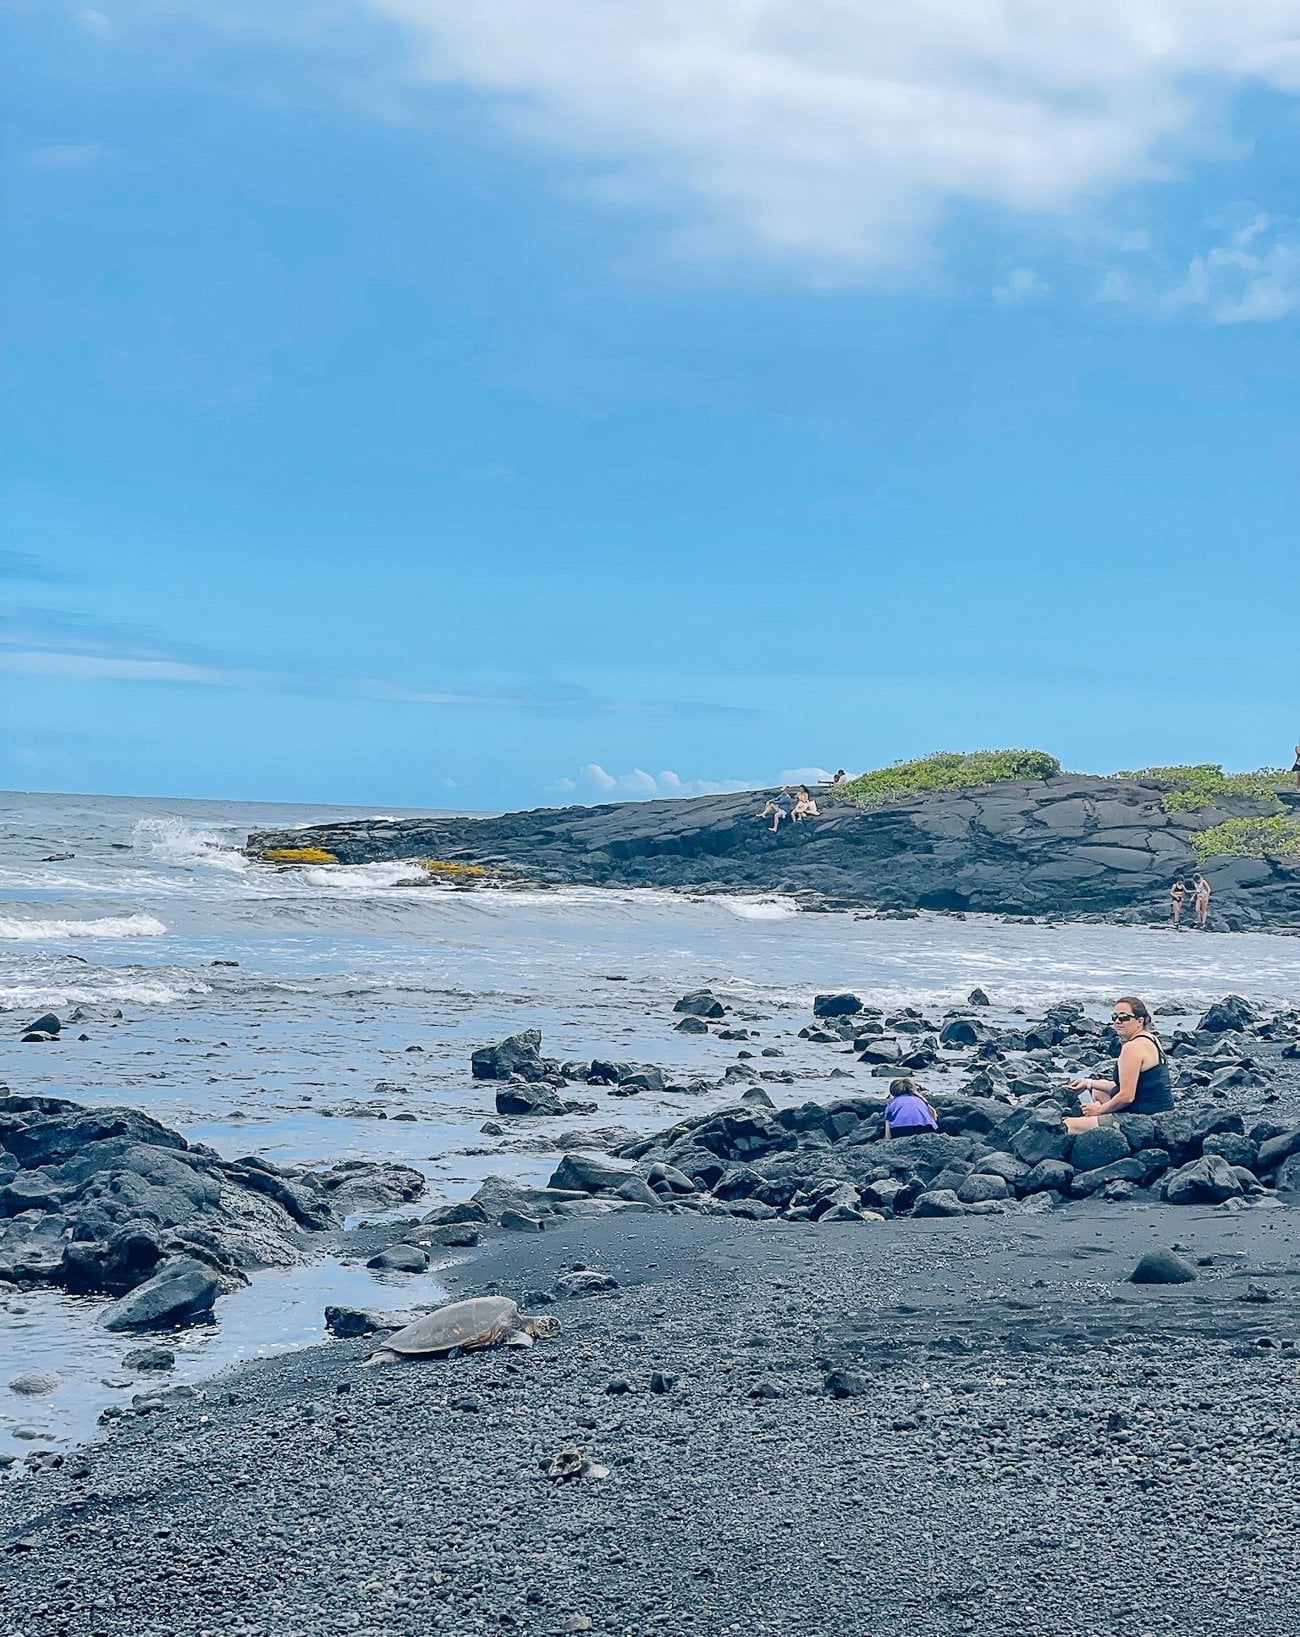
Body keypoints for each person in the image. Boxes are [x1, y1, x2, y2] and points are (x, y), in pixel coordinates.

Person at [1063, 997, 1174, 1133]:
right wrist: (1088, 1083)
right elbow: (1129, 1086)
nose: (1117, 1021)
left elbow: (1126, 1097)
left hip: (1144, 1120)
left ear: (1140, 1021)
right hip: (1162, 1112)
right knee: (1098, 1091)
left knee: (1067, 1125)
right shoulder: (1150, 1039)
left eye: (1123, 1017)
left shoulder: (1132, 1047)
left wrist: (1098, 1111)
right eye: (1114, 1017)